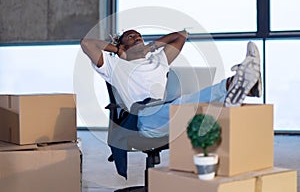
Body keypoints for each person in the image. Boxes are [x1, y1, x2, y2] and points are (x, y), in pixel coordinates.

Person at [80, 29, 262, 178]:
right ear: (122, 45)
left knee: (195, 109)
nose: (137, 38)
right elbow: (87, 43)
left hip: (166, 111)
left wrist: (151, 47)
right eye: (131, 36)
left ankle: (240, 87)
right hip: (143, 118)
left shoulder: (158, 60)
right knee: (185, 104)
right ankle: (235, 84)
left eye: (139, 36)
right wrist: (116, 50)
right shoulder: (113, 66)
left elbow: (182, 35)